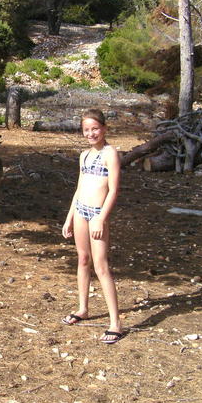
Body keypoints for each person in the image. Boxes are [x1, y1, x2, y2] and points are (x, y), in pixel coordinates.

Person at [61, 108, 123, 344]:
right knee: (83, 259)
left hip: (97, 214)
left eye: (95, 128)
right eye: (86, 130)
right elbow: (79, 188)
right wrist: (69, 217)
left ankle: (115, 323)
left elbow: (114, 190)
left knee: (101, 265)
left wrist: (101, 218)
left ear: (104, 128)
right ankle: (83, 308)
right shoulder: (84, 156)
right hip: (81, 212)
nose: (91, 133)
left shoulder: (110, 153)